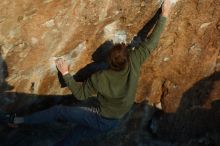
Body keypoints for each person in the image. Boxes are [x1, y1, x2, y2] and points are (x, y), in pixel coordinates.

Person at [0, 0, 171, 145]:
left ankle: (16, 120)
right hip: (113, 121)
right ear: (127, 56)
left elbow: (81, 94)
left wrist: (66, 73)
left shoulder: (101, 77)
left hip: (100, 117)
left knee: (59, 111)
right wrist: (164, 14)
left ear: (109, 62)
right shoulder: (134, 60)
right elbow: (152, 42)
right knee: (72, 139)